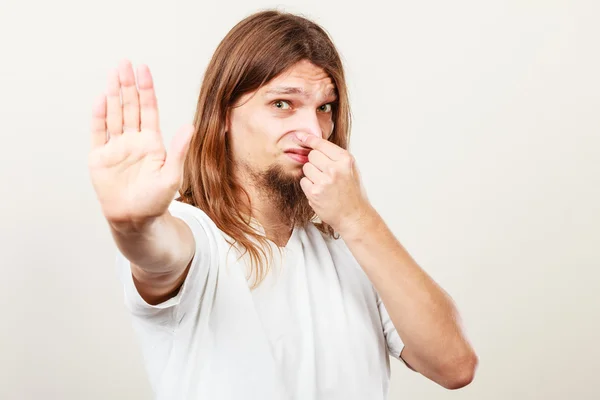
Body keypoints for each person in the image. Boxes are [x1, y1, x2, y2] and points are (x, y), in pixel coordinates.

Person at [88, 9, 478, 400]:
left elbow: (455, 366)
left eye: (325, 107)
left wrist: (358, 219)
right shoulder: (195, 235)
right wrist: (134, 225)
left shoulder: (352, 242)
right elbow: (157, 255)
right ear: (223, 115)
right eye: (282, 104)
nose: (312, 130)